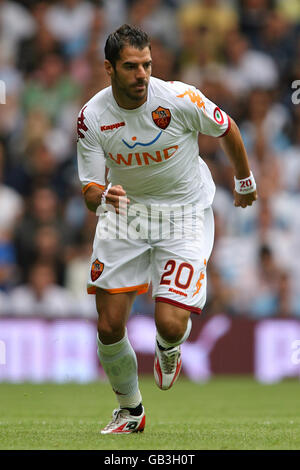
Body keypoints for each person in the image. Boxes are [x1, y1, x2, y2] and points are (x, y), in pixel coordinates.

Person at [77, 24, 257, 435]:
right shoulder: (91, 117)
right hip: (126, 216)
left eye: (147, 65)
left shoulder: (178, 98)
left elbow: (227, 126)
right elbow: (88, 189)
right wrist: (104, 195)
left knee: (170, 323)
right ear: (109, 68)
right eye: (131, 67)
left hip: (183, 214)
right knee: (108, 325)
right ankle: (130, 411)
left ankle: (169, 346)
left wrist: (244, 180)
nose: (142, 75)